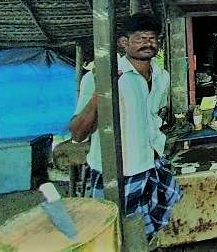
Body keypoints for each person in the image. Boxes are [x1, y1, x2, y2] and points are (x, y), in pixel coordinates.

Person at [69, 13, 182, 241]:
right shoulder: (100, 75)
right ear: (124, 42)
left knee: (161, 206)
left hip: (151, 160)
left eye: (153, 38)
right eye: (140, 38)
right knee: (114, 232)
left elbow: (153, 116)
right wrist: (104, 89)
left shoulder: (162, 76)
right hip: (119, 169)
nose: (148, 43)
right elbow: (78, 133)